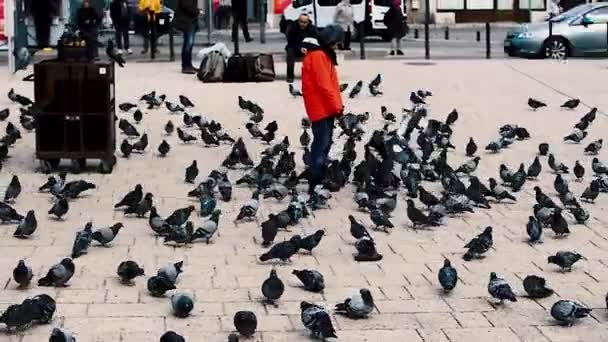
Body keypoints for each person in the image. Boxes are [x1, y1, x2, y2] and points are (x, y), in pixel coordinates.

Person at [301, 25, 344, 194]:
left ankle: (319, 175)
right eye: (336, 43)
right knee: (321, 143)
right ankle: (316, 179)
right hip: (322, 108)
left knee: (324, 143)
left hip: (324, 107)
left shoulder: (321, 55)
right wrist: (337, 107)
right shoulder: (319, 56)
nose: (337, 46)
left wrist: (338, 106)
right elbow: (325, 86)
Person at [285, 14, 317, 83]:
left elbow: (315, 41)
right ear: (298, 21)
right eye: (301, 22)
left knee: (316, 53)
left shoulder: (312, 29)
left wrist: (307, 48)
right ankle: (290, 76)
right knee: (290, 52)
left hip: (307, 48)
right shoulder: (292, 27)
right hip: (294, 47)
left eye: (305, 22)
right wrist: (300, 48)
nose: (303, 24)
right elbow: (291, 41)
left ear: (308, 22)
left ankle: (314, 75)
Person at [173, 0, 200, 74]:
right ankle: (186, 66)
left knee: (189, 43)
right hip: (187, 21)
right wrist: (197, 11)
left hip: (190, 20)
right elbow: (186, 5)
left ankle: (188, 64)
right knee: (188, 43)